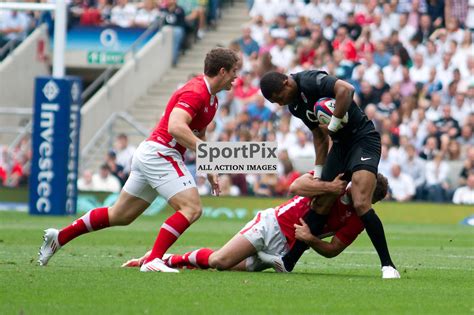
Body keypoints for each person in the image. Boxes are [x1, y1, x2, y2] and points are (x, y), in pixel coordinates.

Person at [38, 48, 241, 273]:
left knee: (120, 215)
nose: (236, 77)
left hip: (152, 153)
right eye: (234, 71)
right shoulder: (196, 92)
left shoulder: (211, 100)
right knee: (192, 208)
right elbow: (176, 127)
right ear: (222, 71)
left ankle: (59, 237)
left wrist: (210, 166)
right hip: (160, 154)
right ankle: (154, 259)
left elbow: (199, 133)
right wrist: (209, 154)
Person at [259, 70, 399, 278]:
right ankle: (287, 262)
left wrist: (333, 125)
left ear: (286, 83)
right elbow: (319, 136)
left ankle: (388, 266)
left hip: (363, 140)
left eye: (279, 98)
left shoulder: (310, 80)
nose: (280, 104)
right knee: (321, 201)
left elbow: (346, 90)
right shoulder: (295, 106)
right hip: (341, 147)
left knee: (361, 202)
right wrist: (318, 172)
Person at [122, 173, 391, 277]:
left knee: (221, 264)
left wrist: (310, 239)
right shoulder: (338, 181)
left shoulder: (360, 219)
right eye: (362, 194)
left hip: (282, 250)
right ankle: (164, 258)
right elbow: (295, 186)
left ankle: (167, 258)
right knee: (220, 261)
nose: (362, 200)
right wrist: (328, 186)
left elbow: (333, 250)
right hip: (272, 224)